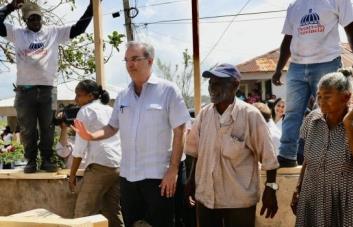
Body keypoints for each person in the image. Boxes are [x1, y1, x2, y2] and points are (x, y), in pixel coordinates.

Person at [73, 41, 190, 227]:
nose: (130, 65)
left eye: (135, 59)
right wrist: (91, 136)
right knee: (132, 223)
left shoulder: (168, 90)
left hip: (159, 176)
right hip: (129, 176)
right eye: (127, 60)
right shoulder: (123, 96)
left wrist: (173, 169)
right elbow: (112, 127)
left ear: (150, 61)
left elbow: (181, 130)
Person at [0, 0, 98, 173]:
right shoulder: (17, 33)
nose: (35, 21)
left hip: (47, 89)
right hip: (25, 91)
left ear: (42, 17)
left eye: (37, 17)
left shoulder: (53, 32)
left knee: (48, 127)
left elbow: (79, 28)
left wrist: (92, 5)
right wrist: (9, 7)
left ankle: (46, 159)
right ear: (25, 21)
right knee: (27, 128)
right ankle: (31, 161)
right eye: (31, 19)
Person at [184, 64, 279, 227]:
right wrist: (191, 180)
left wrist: (271, 187)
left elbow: (269, 158)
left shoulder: (251, 115)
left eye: (219, 83)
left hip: (238, 202)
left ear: (235, 86)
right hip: (206, 198)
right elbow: (195, 152)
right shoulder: (204, 115)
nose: (213, 88)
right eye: (211, 83)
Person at [272, 0, 353, 167]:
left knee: (330, 112)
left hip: (327, 62)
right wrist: (279, 69)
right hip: (296, 66)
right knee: (292, 113)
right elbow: (288, 39)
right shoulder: (294, 6)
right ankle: (287, 155)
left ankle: (333, 156)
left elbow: (351, 29)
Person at [291, 68, 353, 226]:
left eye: (327, 97)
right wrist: (298, 188)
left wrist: (348, 126)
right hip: (312, 195)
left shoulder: (351, 123)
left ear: (346, 97)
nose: (321, 101)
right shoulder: (312, 119)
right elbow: (308, 159)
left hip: (343, 200)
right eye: (319, 96)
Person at [68, 79, 124, 227]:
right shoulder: (110, 110)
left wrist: (72, 174)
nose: (75, 99)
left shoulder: (84, 111)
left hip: (100, 165)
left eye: (78, 95)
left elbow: (79, 150)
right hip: (118, 166)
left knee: (82, 214)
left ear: (91, 96)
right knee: (112, 212)